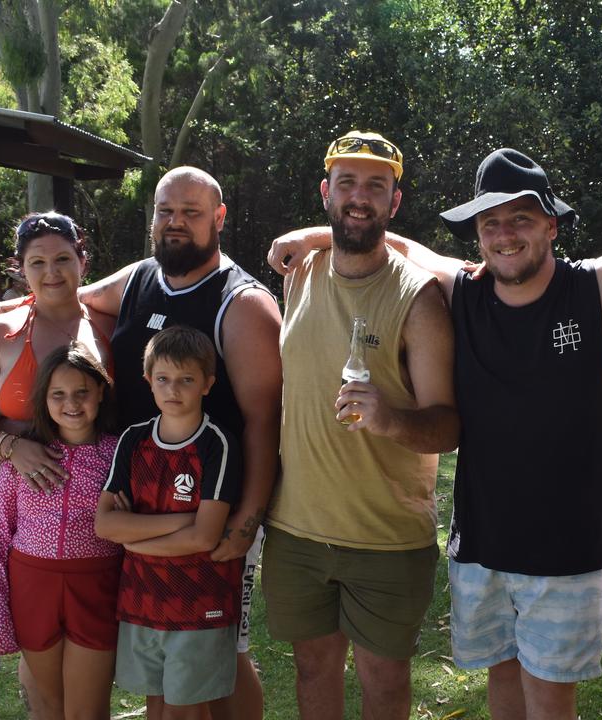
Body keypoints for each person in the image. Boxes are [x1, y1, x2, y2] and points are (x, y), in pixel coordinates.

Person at [268, 147, 602, 719]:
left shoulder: (595, 288)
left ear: (551, 224)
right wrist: (314, 236)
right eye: (490, 222)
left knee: (549, 702)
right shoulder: (464, 292)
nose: (505, 235)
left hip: (568, 547)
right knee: (503, 690)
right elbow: (392, 241)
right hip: (484, 543)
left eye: (521, 218)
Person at [0, 167, 281, 719]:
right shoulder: (141, 277)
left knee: (223, 646)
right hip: (139, 501)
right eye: (166, 211)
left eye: (191, 211)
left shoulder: (244, 303)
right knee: (165, 645)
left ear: (219, 218)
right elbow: (62, 292)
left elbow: (263, 422)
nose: (176, 222)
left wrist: (247, 520)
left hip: (212, 498)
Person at [263, 130, 457, 720]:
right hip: (296, 528)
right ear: (326, 192)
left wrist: (391, 419)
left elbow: (448, 426)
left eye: (376, 186)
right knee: (312, 669)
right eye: (347, 182)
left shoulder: (417, 296)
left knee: (384, 680)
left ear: (393, 203)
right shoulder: (299, 274)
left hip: (387, 537)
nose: (359, 197)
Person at [0, 212, 115, 710]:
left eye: (63, 259)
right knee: (37, 658)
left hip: (95, 517)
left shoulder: (109, 327)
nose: (51, 272)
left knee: (88, 676)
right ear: (20, 267)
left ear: (82, 259)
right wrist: (12, 447)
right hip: (12, 511)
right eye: (36, 262)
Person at [95, 326, 243, 720]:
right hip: (142, 598)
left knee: (185, 712)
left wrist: (135, 535)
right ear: (148, 381)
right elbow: (105, 525)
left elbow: (205, 536)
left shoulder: (217, 444)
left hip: (200, 603)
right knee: (156, 707)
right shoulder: (132, 439)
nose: (173, 389)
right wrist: (182, 521)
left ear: (207, 384)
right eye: (163, 378)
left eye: (186, 380)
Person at [0, 342, 122, 720]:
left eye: (82, 392)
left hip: (96, 590)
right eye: (58, 394)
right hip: (32, 590)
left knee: (87, 712)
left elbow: (132, 530)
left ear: (100, 393)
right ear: (43, 399)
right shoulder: (23, 457)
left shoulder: (119, 455)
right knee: (49, 709)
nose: (71, 403)